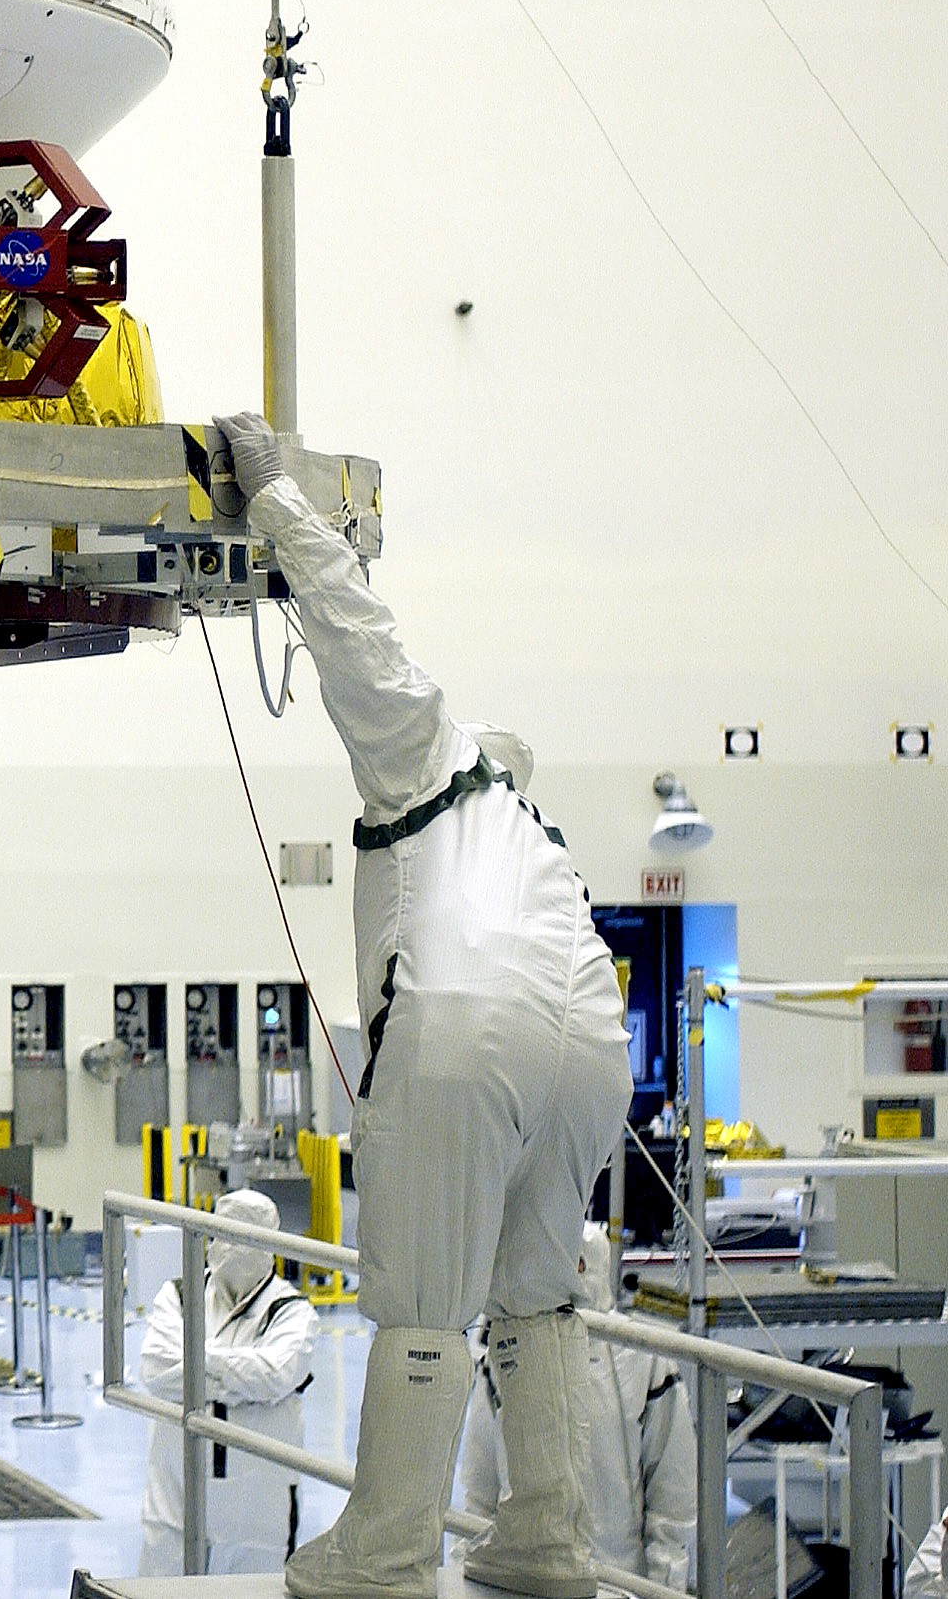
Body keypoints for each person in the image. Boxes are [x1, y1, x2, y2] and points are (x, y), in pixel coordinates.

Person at [215, 414, 634, 1599]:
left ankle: (389, 1548)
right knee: (541, 1289)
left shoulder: (436, 761)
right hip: (588, 1045)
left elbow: (358, 637)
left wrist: (277, 502)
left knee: (423, 1296)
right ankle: (547, 1538)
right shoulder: (538, 838)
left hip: (470, 1024)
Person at [457, 1225, 693, 1590]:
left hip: (621, 1580)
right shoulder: (504, 1358)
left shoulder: (643, 1360)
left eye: (575, 1266)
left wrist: (662, 1587)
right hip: (526, 1580)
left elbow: (673, 1496)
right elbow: (480, 1493)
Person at [137, 1189, 320, 1576]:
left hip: (257, 1507)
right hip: (177, 1491)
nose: (228, 1248)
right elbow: (156, 1370)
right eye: (222, 1235)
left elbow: (275, 1374)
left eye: (242, 1240)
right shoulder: (179, 1296)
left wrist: (198, 1364)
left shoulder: (292, 1312)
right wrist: (241, 1382)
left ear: (267, 1244)